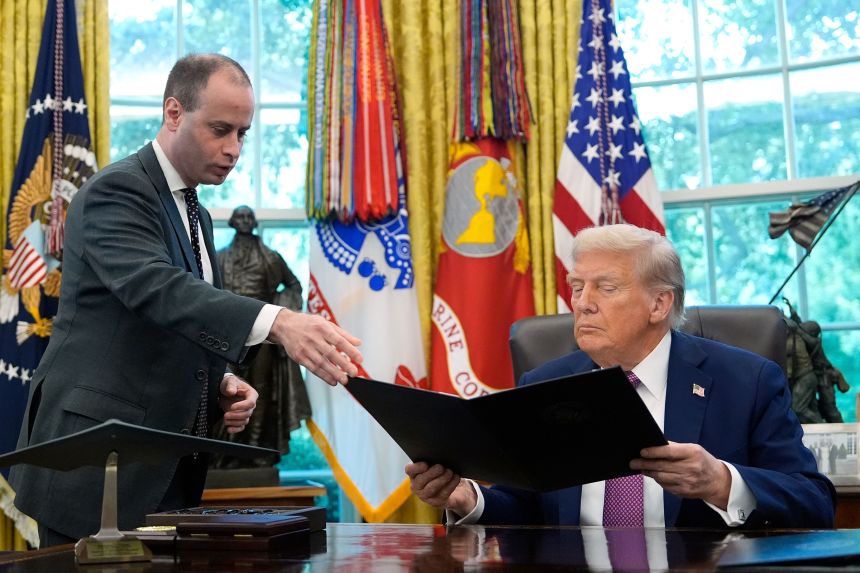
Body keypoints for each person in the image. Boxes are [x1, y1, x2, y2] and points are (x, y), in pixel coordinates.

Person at [9, 54, 362, 547]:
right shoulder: (117, 190)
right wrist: (279, 321)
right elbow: (158, 289)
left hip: (165, 466)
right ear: (174, 113)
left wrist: (221, 383)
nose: (233, 149)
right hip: (96, 468)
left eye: (242, 133)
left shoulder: (197, 213)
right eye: (220, 130)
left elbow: (179, 325)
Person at [407, 224, 834, 529]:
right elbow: (526, 509)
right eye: (577, 287)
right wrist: (468, 499)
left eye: (606, 288)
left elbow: (814, 503)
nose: (582, 303)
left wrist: (721, 482)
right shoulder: (544, 384)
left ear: (659, 304)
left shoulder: (747, 380)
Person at [211, 205, 311, 468]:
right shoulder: (219, 257)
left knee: (261, 389)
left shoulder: (271, 257)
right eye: (240, 217)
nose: (245, 221)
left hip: (263, 336)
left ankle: (255, 450)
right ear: (233, 222)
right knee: (226, 388)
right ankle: (227, 451)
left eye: (249, 217)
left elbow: (294, 285)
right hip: (227, 334)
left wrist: (281, 312)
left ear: (254, 222)